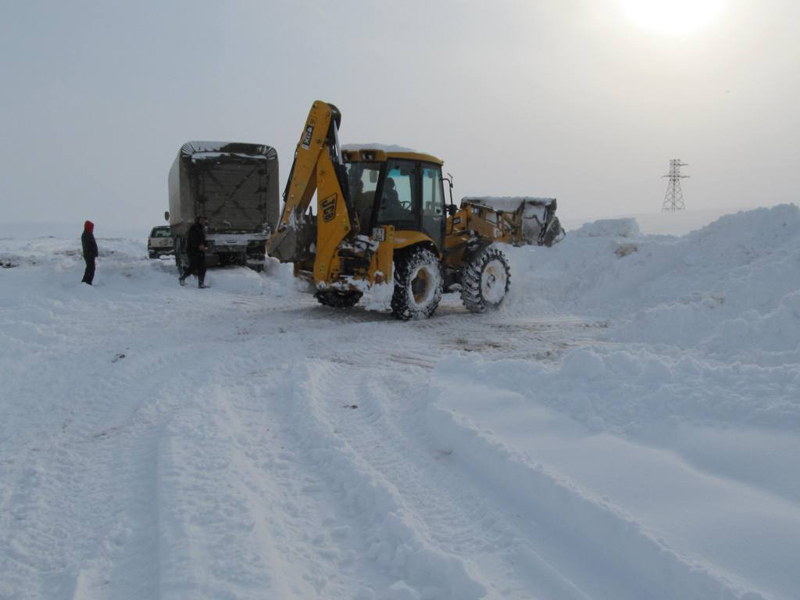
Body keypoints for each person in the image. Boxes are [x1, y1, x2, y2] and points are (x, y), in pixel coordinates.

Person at [180, 215, 208, 288]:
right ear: (198, 220)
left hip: (200, 251)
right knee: (193, 267)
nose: (203, 222)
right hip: (193, 251)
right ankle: (182, 278)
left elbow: (203, 240)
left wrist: (205, 245)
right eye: (201, 220)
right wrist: (198, 245)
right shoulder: (194, 228)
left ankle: (201, 283)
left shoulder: (202, 229)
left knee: (203, 268)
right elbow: (192, 239)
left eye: (204, 220)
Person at [81, 220, 98, 285]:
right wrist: (92, 252)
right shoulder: (86, 235)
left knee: (90, 268)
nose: (92, 229)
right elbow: (89, 245)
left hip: (90, 255)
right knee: (90, 268)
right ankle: (87, 282)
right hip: (89, 255)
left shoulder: (89, 234)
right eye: (91, 227)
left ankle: (86, 282)